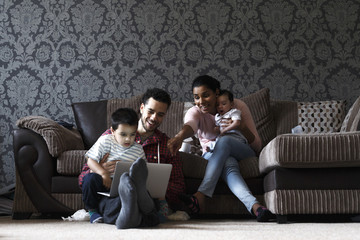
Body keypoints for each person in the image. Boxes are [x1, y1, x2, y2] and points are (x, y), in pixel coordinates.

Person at [167, 75, 275, 222]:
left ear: (216, 92)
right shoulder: (195, 111)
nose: (201, 102)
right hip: (212, 154)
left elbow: (256, 145)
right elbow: (190, 125)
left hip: (242, 150)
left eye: (206, 95)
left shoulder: (236, 106)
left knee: (224, 141)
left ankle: (201, 195)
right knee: (229, 163)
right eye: (196, 97)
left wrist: (241, 126)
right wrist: (179, 137)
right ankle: (256, 207)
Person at [78, 88, 186, 228]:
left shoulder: (167, 145)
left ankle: (131, 210)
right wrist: (100, 171)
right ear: (142, 107)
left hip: (146, 197)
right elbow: (83, 178)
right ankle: (135, 211)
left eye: (160, 114)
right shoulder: (111, 137)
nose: (154, 118)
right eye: (151, 111)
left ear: (165, 115)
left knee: (143, 200)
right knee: (119, 203)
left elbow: (179, 186)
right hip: (112, 196)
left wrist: (158, 188)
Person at [82, 107, 146, 223]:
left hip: (124, 187)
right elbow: (90, 161)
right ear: (112, 131)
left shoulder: (138, 149)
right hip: (104, 182)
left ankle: (136, 210)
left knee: (135, 191)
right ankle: (92, 211)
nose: (128, 139)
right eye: (123, 134)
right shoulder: (106, 140)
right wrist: (103, 173)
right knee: (89, 179)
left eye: (132, 134)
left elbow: (144, 171)